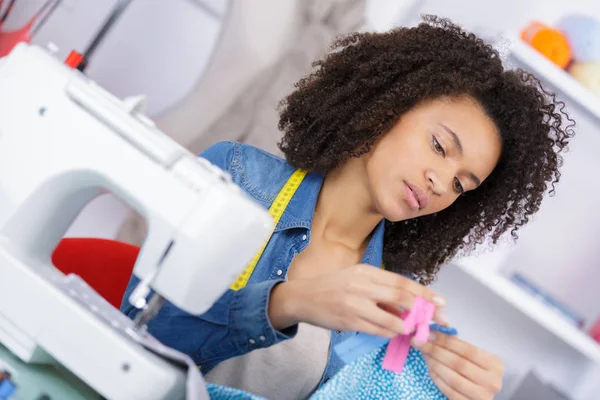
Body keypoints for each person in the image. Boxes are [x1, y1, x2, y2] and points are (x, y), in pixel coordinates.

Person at [121, 15, 573, 400]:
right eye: (438, 145)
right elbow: (137, 336)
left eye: (461, 183)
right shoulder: (236, 177)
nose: (440, 182)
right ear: (385, 109)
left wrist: (450, 383)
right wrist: (288, 303)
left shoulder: (396, 301)